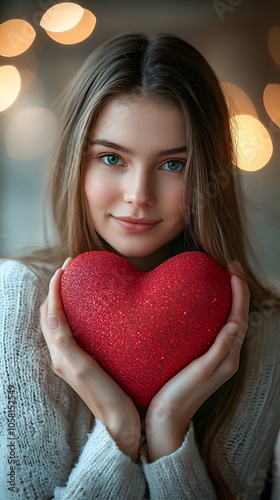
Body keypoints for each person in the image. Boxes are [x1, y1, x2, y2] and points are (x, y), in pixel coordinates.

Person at [0, 31, 279, 500]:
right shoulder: (16, 298)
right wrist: (118, 431)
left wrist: (169, 426)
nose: (138, 196)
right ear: (75, 164)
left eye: (173, 165)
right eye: (112, 158)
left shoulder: (264, 329)